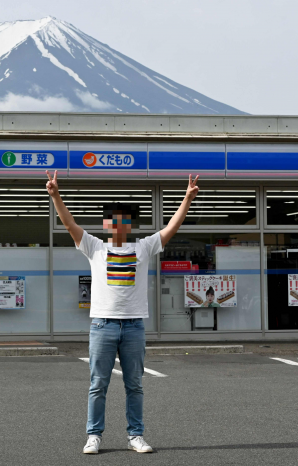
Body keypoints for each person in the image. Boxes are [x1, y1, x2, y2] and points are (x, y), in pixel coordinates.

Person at [46, 170, 200, 454]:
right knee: (98, 385)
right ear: (107, 225)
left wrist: (187, 199)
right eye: (113, 222)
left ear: (129, 225)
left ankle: (135, 436)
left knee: (135, 385)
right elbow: (69, 225)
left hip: (133, 326)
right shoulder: (95, 247)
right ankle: (94, 436)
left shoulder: (143, 247)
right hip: (103, 325)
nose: (118, 227)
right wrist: (56, 195)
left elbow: (171, 228)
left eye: (123, 222)